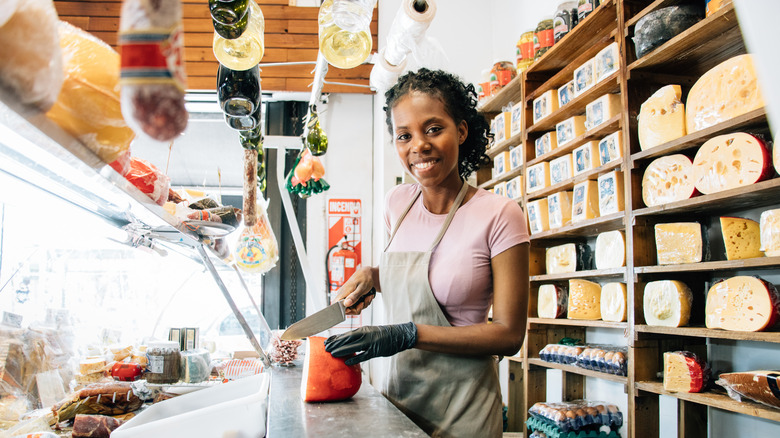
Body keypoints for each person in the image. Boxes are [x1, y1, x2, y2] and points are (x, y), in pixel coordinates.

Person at [324, 68, 530, 438]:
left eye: (433, 129)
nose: (418, 145)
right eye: (404, 135)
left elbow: (509, 335)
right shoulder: (396, 204)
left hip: (464, 411)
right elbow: (422, 280)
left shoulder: (500, 214)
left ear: (461, 131)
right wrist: (373, 276)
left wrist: (407, 334)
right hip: (398, 403)